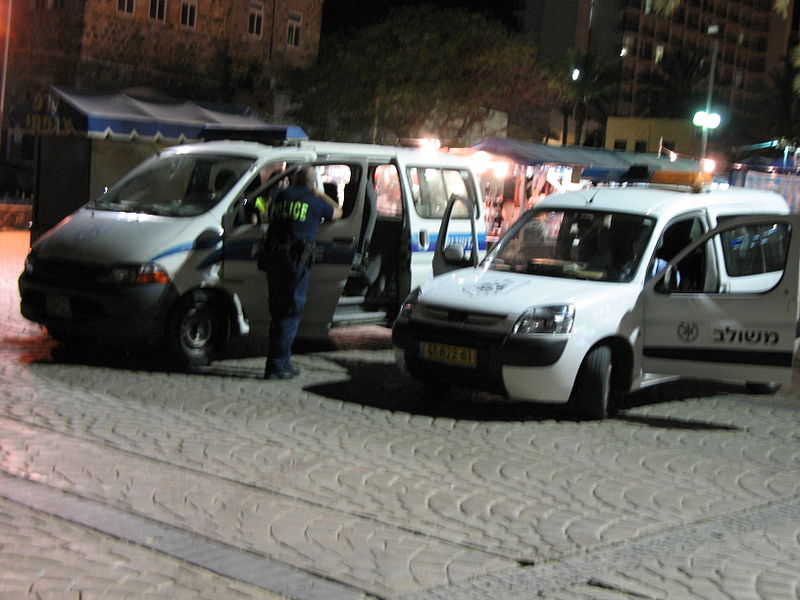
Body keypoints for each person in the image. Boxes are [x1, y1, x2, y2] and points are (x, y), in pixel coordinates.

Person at [261, 165, 342, 380]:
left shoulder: (279, 196)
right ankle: (277, 366)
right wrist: (321, 194)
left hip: (273, 258)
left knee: (278, 312)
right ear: (313, 184)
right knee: (290, 311)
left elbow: (268, 207)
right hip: (294, 261)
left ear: (294, 181)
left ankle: (280, 360)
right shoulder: (314, 201)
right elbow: (338, 212)